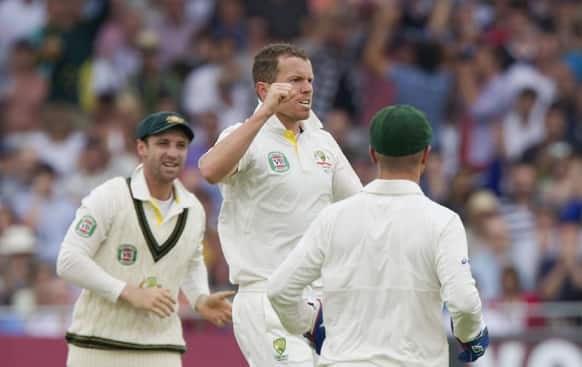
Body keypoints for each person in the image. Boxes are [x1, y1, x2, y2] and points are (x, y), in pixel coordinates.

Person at [267, 105, 489, 366]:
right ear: (426, 156)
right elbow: (462, 302)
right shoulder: (443, 222)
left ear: (373, 154)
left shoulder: (333, 217)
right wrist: (471, 335)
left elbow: (280, 290)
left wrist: (308, 322)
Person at [199, 43, 362, 366]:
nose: (307, 89)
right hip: (265, 296)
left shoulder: (322, 141)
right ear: (265, 88)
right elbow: (209, 170)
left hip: (320, 301)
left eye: (310, 80)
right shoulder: (243, 135)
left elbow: (360, 208)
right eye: (296, 80)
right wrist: (264, 112)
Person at [56, 111, 234, 367]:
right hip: (97, 345)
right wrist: (129, 292)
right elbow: (69, 261)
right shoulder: (110, 196)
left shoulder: (193, 208)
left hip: (161, 348)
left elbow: (190, 261)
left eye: (180, 145)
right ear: (142, 148)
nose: (173, 152)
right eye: (163, 143)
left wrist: (200, 299)